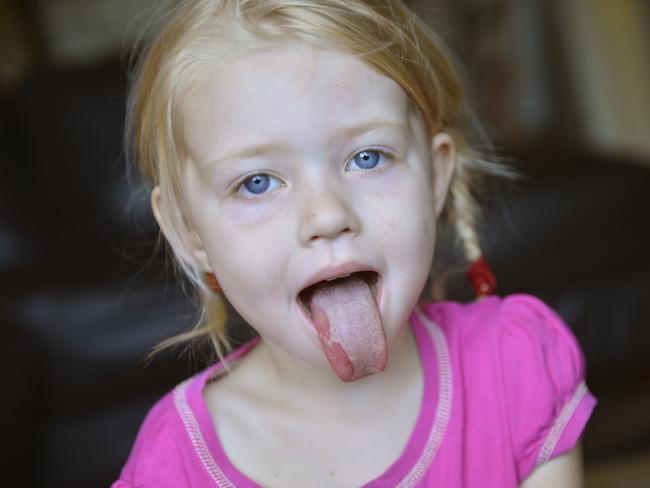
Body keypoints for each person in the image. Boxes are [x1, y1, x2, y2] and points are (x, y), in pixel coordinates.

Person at [113, 0, 596, 486]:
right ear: (188, 232)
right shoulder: (172, 462)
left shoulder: (514, 365)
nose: (326, 215)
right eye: (257, 182)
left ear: (435, 177)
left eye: (367, 157)